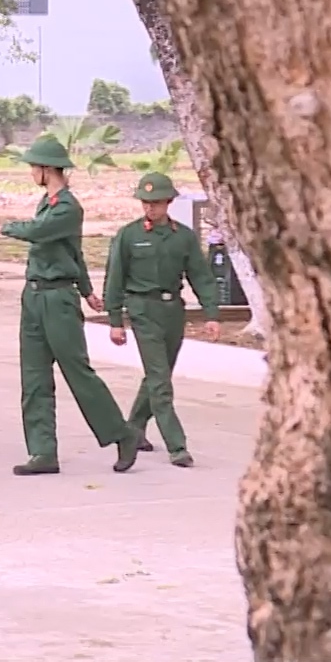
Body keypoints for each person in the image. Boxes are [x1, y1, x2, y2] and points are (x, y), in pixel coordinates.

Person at [0, 135, 140, 476]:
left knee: (77, 372)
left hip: (57, 298)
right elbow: (73, 252)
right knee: (34, 376)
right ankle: (42, 452)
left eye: (33, 167)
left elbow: (41, 233)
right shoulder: (48, 202)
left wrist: (6, 227)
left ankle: (121, 432)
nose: (31, 173)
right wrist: (89, 291)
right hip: (35, 295)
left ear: (46, 169)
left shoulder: (67, 207)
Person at [101, 172, 222, 467]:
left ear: (168, 202)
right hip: (143, 311)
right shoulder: (129, 235)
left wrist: (211, 314)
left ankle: (133, 429)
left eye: (155, 203)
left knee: (159, 375)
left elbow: (201, 276)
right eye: (145, 203)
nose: (150, 209)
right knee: (160, 381)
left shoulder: (183, 237)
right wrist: (115, 319)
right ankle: (177, 445)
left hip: (172, 312)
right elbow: (114, 279)